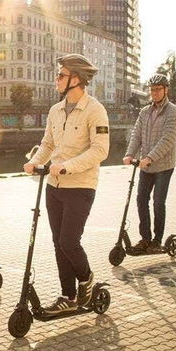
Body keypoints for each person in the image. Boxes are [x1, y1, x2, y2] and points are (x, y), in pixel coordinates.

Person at [24, 54, 109, 315]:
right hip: (54, 186)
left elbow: (100, 150)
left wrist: (67, 166)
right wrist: (35, 162)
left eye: (61, 75)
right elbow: (48, 143)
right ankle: (68, 295)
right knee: (58, 242)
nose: (56, 79)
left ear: (76, 79)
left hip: (81, 186)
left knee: (69, 241)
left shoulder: (95, 110)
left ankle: (86, 278)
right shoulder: (55, 110)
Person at [123, 73, 176, 251]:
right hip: (145, 166)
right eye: (152, 90)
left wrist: (150, 158)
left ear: (165, 90)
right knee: (141, 200)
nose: (155, 93)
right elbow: (137, 134)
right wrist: (129, 154)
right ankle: (145, 239)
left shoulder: (173, 111)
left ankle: (157, 240)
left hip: (163, 166)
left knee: (158, 202)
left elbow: (168, 139)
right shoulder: (145, 112)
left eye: (158, 89)